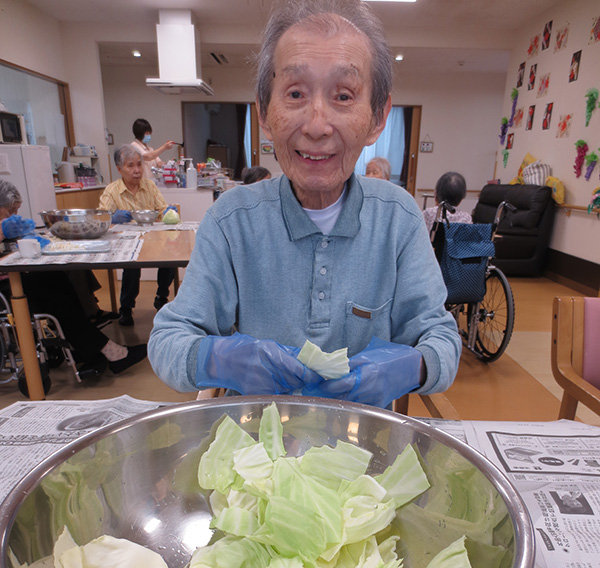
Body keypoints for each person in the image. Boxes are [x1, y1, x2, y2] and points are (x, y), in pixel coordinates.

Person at [148, 0, 461, 409]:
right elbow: (167, 340)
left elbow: (441, 338)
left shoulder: (398, 218)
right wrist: (220, 358)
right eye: (295, 93)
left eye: (343, 95)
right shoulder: (231, 221)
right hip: (259, 437)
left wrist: (408, 368)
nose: (316, 126)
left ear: (377, 117)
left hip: (362, 439)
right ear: (265, 112)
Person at [0, 179, 147, 376]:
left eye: (16, 211)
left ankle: (87, 348)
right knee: (52, 294)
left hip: (12, 277)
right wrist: (2, 232)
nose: (13, 216)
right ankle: (109, 352)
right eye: (10, 212)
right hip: (6, 288)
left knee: (57, 278)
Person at [99, 144, 173, 325]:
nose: (137, 170)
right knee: (131, 266)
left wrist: (168, 212)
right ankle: (126, 308)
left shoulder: (150, 186)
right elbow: (101, 218)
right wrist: (112, 217)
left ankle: (162, 297)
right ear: (119, 169)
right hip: (126, 243)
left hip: (152, 240)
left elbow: (162, 209)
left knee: (170, 258)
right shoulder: (112, 190)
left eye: (139, 164)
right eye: (130, 165)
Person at [130, 118, 177, 183]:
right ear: (140, 134)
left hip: (151, 183)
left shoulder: (150, 149)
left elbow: (159, 163)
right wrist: (164, 147)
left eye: (150, 133)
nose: (149, 135)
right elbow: (147, 157)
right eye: (147, 133)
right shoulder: (134, 146)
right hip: (140, 183)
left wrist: (169, 164)